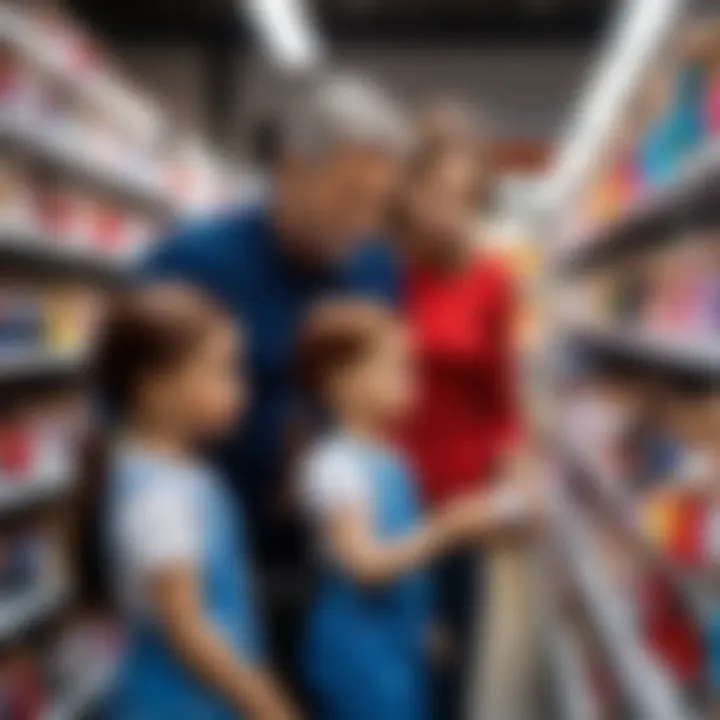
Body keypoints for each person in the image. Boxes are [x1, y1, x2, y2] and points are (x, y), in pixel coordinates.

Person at [139, 76, 408, 680]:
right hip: (216, 575)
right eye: (349, 197)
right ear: (290, 169)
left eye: (378, 204)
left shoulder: (377, 270)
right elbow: (127, 423)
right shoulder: (189, 266)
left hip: (336, 570)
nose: (364, 223)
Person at [294, 300, 533, 720]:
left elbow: (401, 550)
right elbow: (364, 565)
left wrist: (421, 624)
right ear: (343, 381)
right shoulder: (337, 467)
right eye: (398, 368)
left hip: (392, 640)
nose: (414, 382)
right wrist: (445, 530)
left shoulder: (388, 455)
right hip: (358, 652)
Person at [76, 284, 297, 720]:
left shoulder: (175, 475)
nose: (239, 390)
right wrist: (268, 705)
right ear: (153, 386)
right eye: (222, 371)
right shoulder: (160, 497)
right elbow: (188, 631)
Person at [397, 122, 530, 719]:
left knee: (450, 677)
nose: (452, 211)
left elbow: (504, 405)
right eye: (439, 192)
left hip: (460, 506)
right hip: (382, 503)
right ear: (410, 189)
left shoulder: (494, 280)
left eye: (467, 196)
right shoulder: (380, 270)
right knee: (385, 676)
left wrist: (515, 482)